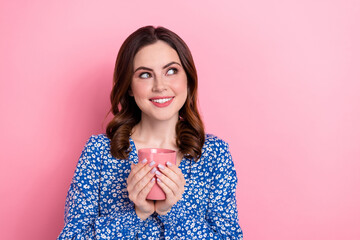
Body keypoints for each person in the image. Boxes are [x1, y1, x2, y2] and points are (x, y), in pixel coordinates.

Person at [57, 25, 243, 239]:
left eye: (171, 71)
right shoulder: (99, 152)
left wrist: (170, 212)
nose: (160, 86)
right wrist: (137, 214)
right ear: (129, 86)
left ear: (188, 79)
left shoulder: (214, 154)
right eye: (145, 75)